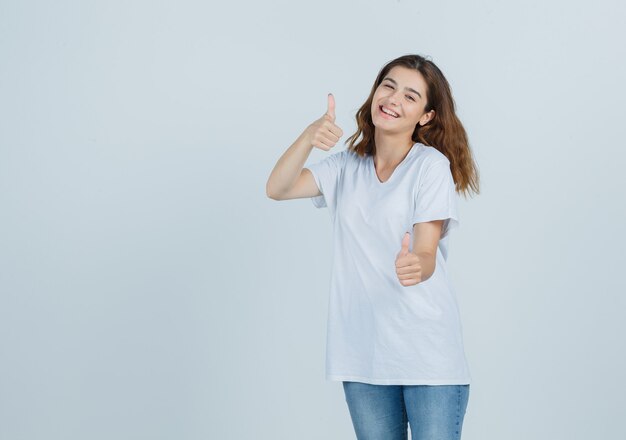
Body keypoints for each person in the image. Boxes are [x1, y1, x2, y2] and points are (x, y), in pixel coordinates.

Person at [266, 54, 480, 440]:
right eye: (389, 85)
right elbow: (278, 188)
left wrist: (417, 264)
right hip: (362, 353)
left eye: (410, 96)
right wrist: (308, 137)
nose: (394, 98)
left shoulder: (429, 166)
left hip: (426, 354)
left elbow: (427, 250)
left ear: (426, 116)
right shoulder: (346, 166)